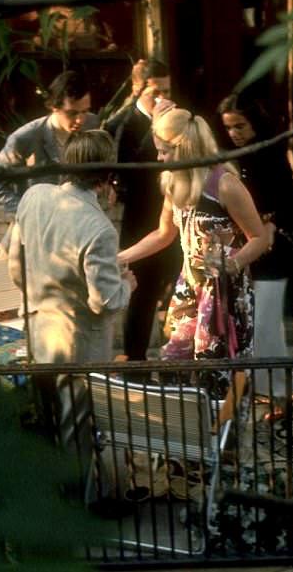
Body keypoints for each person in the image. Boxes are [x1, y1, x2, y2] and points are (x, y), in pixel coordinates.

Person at [117, 107, 271, 398]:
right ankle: (188, 426)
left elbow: (260, 238)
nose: (159, 158)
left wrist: (233, 263)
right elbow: (163, 234)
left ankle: (225, 424)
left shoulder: (225, 184)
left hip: (224, 292)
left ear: (183, 147)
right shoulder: (173, 182)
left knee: (217, 373)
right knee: (175, 362)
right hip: (190, 286)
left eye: (164, 151)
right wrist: (122, 257)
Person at [7, 130, 136, 449]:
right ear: (107, 175)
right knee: (75, 434)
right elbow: (105, 302)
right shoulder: (99, 228)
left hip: (37, 329)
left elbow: (14, 266)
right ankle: (78, 482)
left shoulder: (33, 197)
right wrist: (127, 285)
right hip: (78, 343)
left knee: (45, 423)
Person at [218, 92, 293, 421]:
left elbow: (291, 204)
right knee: (246, 328)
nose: (234, 133)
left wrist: (270, 223)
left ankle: (280, 392)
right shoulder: (229, 158)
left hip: (270, 252)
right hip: (242, 250)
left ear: (255, 123)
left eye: (240, 126)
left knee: (266, 327)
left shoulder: (272, 153)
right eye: (229, 127)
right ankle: (251, 390)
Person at [105, 59, 183, 372]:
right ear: (138, 88)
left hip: (176, 218)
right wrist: (155, 126)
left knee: (179, 294)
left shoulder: (179, 119)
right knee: (142, 296)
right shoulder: (120, 125)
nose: (162, 98)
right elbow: (128, 172)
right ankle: (136, 364)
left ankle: (177, 362)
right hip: (141, 222)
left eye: (167, 91)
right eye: (155, 92)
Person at [0, 70, 100, 217]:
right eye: (72, 113)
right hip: (39, 221)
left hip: (78, 218)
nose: (80, 120)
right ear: (54, 107)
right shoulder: (25, 137)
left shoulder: (92, 124)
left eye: (85, 111)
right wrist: (26, 210)